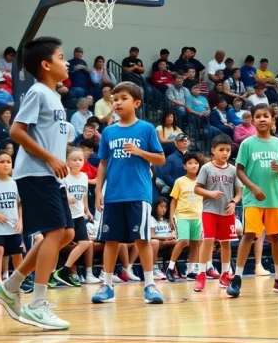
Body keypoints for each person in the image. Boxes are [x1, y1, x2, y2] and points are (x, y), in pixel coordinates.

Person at [0, 37, 75, 330]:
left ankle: (11, 285)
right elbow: (16, 131)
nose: (66, 62)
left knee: (65, 234)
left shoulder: (55, 96)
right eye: (62, 57)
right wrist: (50, 158)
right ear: (46, 64)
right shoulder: (38, 92)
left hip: (51, 175)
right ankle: (38, 304)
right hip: (35, 173)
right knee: (54, 232)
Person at [90, 82, 165, 306]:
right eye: (114, 99)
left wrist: (140, 152)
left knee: (142, 240)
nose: (117, 102)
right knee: (110, 241)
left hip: (138, 193)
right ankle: (107, 286)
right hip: (113, 194)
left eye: (123, 98)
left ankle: (150, 285)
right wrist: (98, 191)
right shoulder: (109, 132)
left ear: (136, 102)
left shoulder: (146, 129)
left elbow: (160, 159)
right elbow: (103, 163)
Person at [229, 104, 278, 297]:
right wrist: (253, 187)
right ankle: (237, 277)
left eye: (266, 116)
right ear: (253, 120)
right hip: (253, 199)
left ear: (273, 120)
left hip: (274, 198)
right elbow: (239, 170)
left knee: (276, 238)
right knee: (249, 235)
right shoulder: (247, 144)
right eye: (258, 116)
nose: (262, 119)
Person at [190, 134, 241, 292]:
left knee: (226, 244)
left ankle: (225, 274)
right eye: (221, 150)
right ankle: (201, 274)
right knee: (208, 242)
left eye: (227, 150)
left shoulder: (233, 170)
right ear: (213, 151)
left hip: (227, 212)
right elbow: (196, 188)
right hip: (210, 211)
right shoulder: (206, 168)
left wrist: (233, 202)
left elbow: (239, 193)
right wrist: (209, 193)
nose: (225, 153)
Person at [51, 148, 93, 287]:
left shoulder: (84, 177)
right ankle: (51, 272)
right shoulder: (64, 176)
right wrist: (66, 198)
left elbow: (85, 195)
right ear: (67, 162)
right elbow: (56, 193)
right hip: (65, 214)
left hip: (79, 214)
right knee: (57, 244)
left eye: (80, 160)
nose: (77, 162)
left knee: (85, 243)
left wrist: (87, 210)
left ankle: (65, 270)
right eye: (74, 160)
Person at [165, 152, 203, 282]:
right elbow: (173, 200)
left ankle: (191, 270)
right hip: (182, 215)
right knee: (184, 241)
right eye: (190, 163)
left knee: (195, 244)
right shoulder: (179, 181)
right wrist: (171, 217)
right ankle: (170, 267)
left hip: (197, 216)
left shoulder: (202, 181)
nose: (193, 166)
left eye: (196, 163)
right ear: (184, 166)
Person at [0, 150, 23, 287]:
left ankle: (19, 281)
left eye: (8, 162)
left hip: (13, 225)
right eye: (1, 162)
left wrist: (20, 220)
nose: (6, 165)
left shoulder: (15, 183)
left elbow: (19, 205)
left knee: (17, 254)